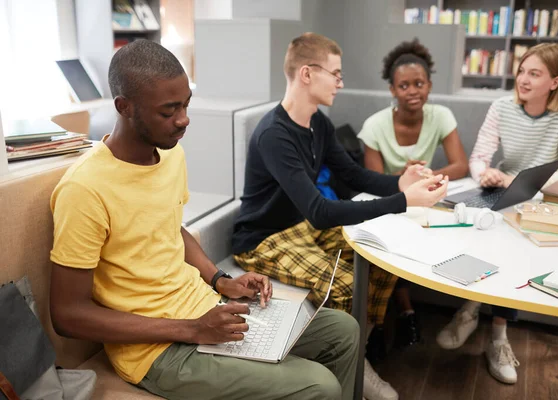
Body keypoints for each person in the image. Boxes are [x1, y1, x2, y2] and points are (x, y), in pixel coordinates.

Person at [49, 39, 361, 400]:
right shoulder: (84, 188)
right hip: (156, 351)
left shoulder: (169, 156)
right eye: (168, 111)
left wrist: (220, 279)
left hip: (206, 310)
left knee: (342, 330)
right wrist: (190, 329)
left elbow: (171, 230)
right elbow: (67, 315)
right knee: (319, 386)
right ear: (124, 107)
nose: (183, 120)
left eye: (185, 105)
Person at [232, 32, 448, 400]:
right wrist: (403, 200)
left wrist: (401, 180)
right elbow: (319, 211)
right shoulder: (274, 134)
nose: (340, 82)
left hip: (303, 230)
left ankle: (358, 353)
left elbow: (354, 176)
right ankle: (355, 369)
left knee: (384, 259)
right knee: (347, 284)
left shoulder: (320, 124)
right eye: (335, 73)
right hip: (264, 240)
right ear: (306, 74)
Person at [436, 43, 558, 385]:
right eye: (521, 71)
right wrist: (483, 174)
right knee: (476, 229)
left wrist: (514, 180)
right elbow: (479, 156)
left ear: (555, 82)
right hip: (501, 190)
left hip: (544, 197)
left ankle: (497, 336)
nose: (524, 80)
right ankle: (470, 309)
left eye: (535, 74)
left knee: (515, 247)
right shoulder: (502, 106)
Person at [358, 38, 468, 347]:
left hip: (424, 200)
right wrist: (402, 177)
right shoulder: (374, 126)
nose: (412, 91)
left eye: (419, 83)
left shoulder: (441, 116)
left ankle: (402, 314)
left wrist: (428, 175)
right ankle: (397, 316)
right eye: (403, 86)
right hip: (389, 201)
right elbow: (372, 180)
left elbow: (461, 164)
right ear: (392, 90)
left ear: (429, 86)